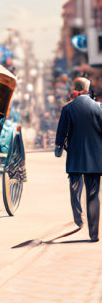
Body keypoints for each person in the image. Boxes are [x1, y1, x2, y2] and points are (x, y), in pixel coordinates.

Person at [54, 77, 102, 241]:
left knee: (74, 189)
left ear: (75, 89)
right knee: (93, 195)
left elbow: (61, 132)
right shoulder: (98, 108)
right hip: (95, 159)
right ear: (88, 89)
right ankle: (94, 234)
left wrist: (58, 148)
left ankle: (77, 216)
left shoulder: (68, 108)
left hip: (75, 157)